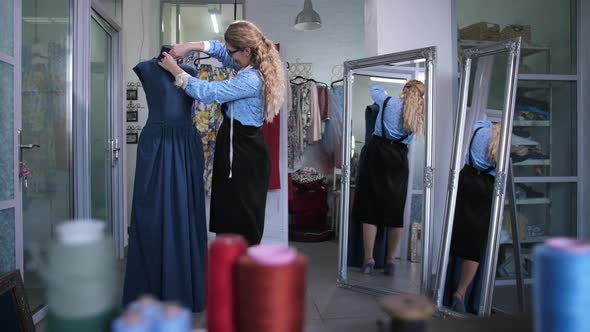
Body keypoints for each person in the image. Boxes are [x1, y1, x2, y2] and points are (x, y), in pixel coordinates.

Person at [159, 20, 284, 245]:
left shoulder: (251, 79)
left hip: (244, 154)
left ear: (246, 50)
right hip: (237, 147)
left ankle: (241, 273)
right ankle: (231, 268)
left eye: (231, 52)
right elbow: (218, 49)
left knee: (241, 220)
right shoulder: (247, 65)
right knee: (230, 215)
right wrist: (188, 46)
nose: (229, 57)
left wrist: (174, 69)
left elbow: (208, 91)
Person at [352, 81, 425, 275]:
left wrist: (387, 93)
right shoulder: (417, 114)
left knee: (370, 210)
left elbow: (373, 89)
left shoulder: (388, 101)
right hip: (399, 160)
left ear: (404, 90)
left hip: (377, 154)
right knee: (394, 213)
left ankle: (369, 259)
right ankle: (391, 260)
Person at [447, 120, 501, 313]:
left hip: (466, 181)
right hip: (486, 189)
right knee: (475, 245)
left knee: (455, 235)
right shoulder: (501, 144)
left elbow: (480, 121)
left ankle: (444, 289)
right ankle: (460, 293)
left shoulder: (479, 128)